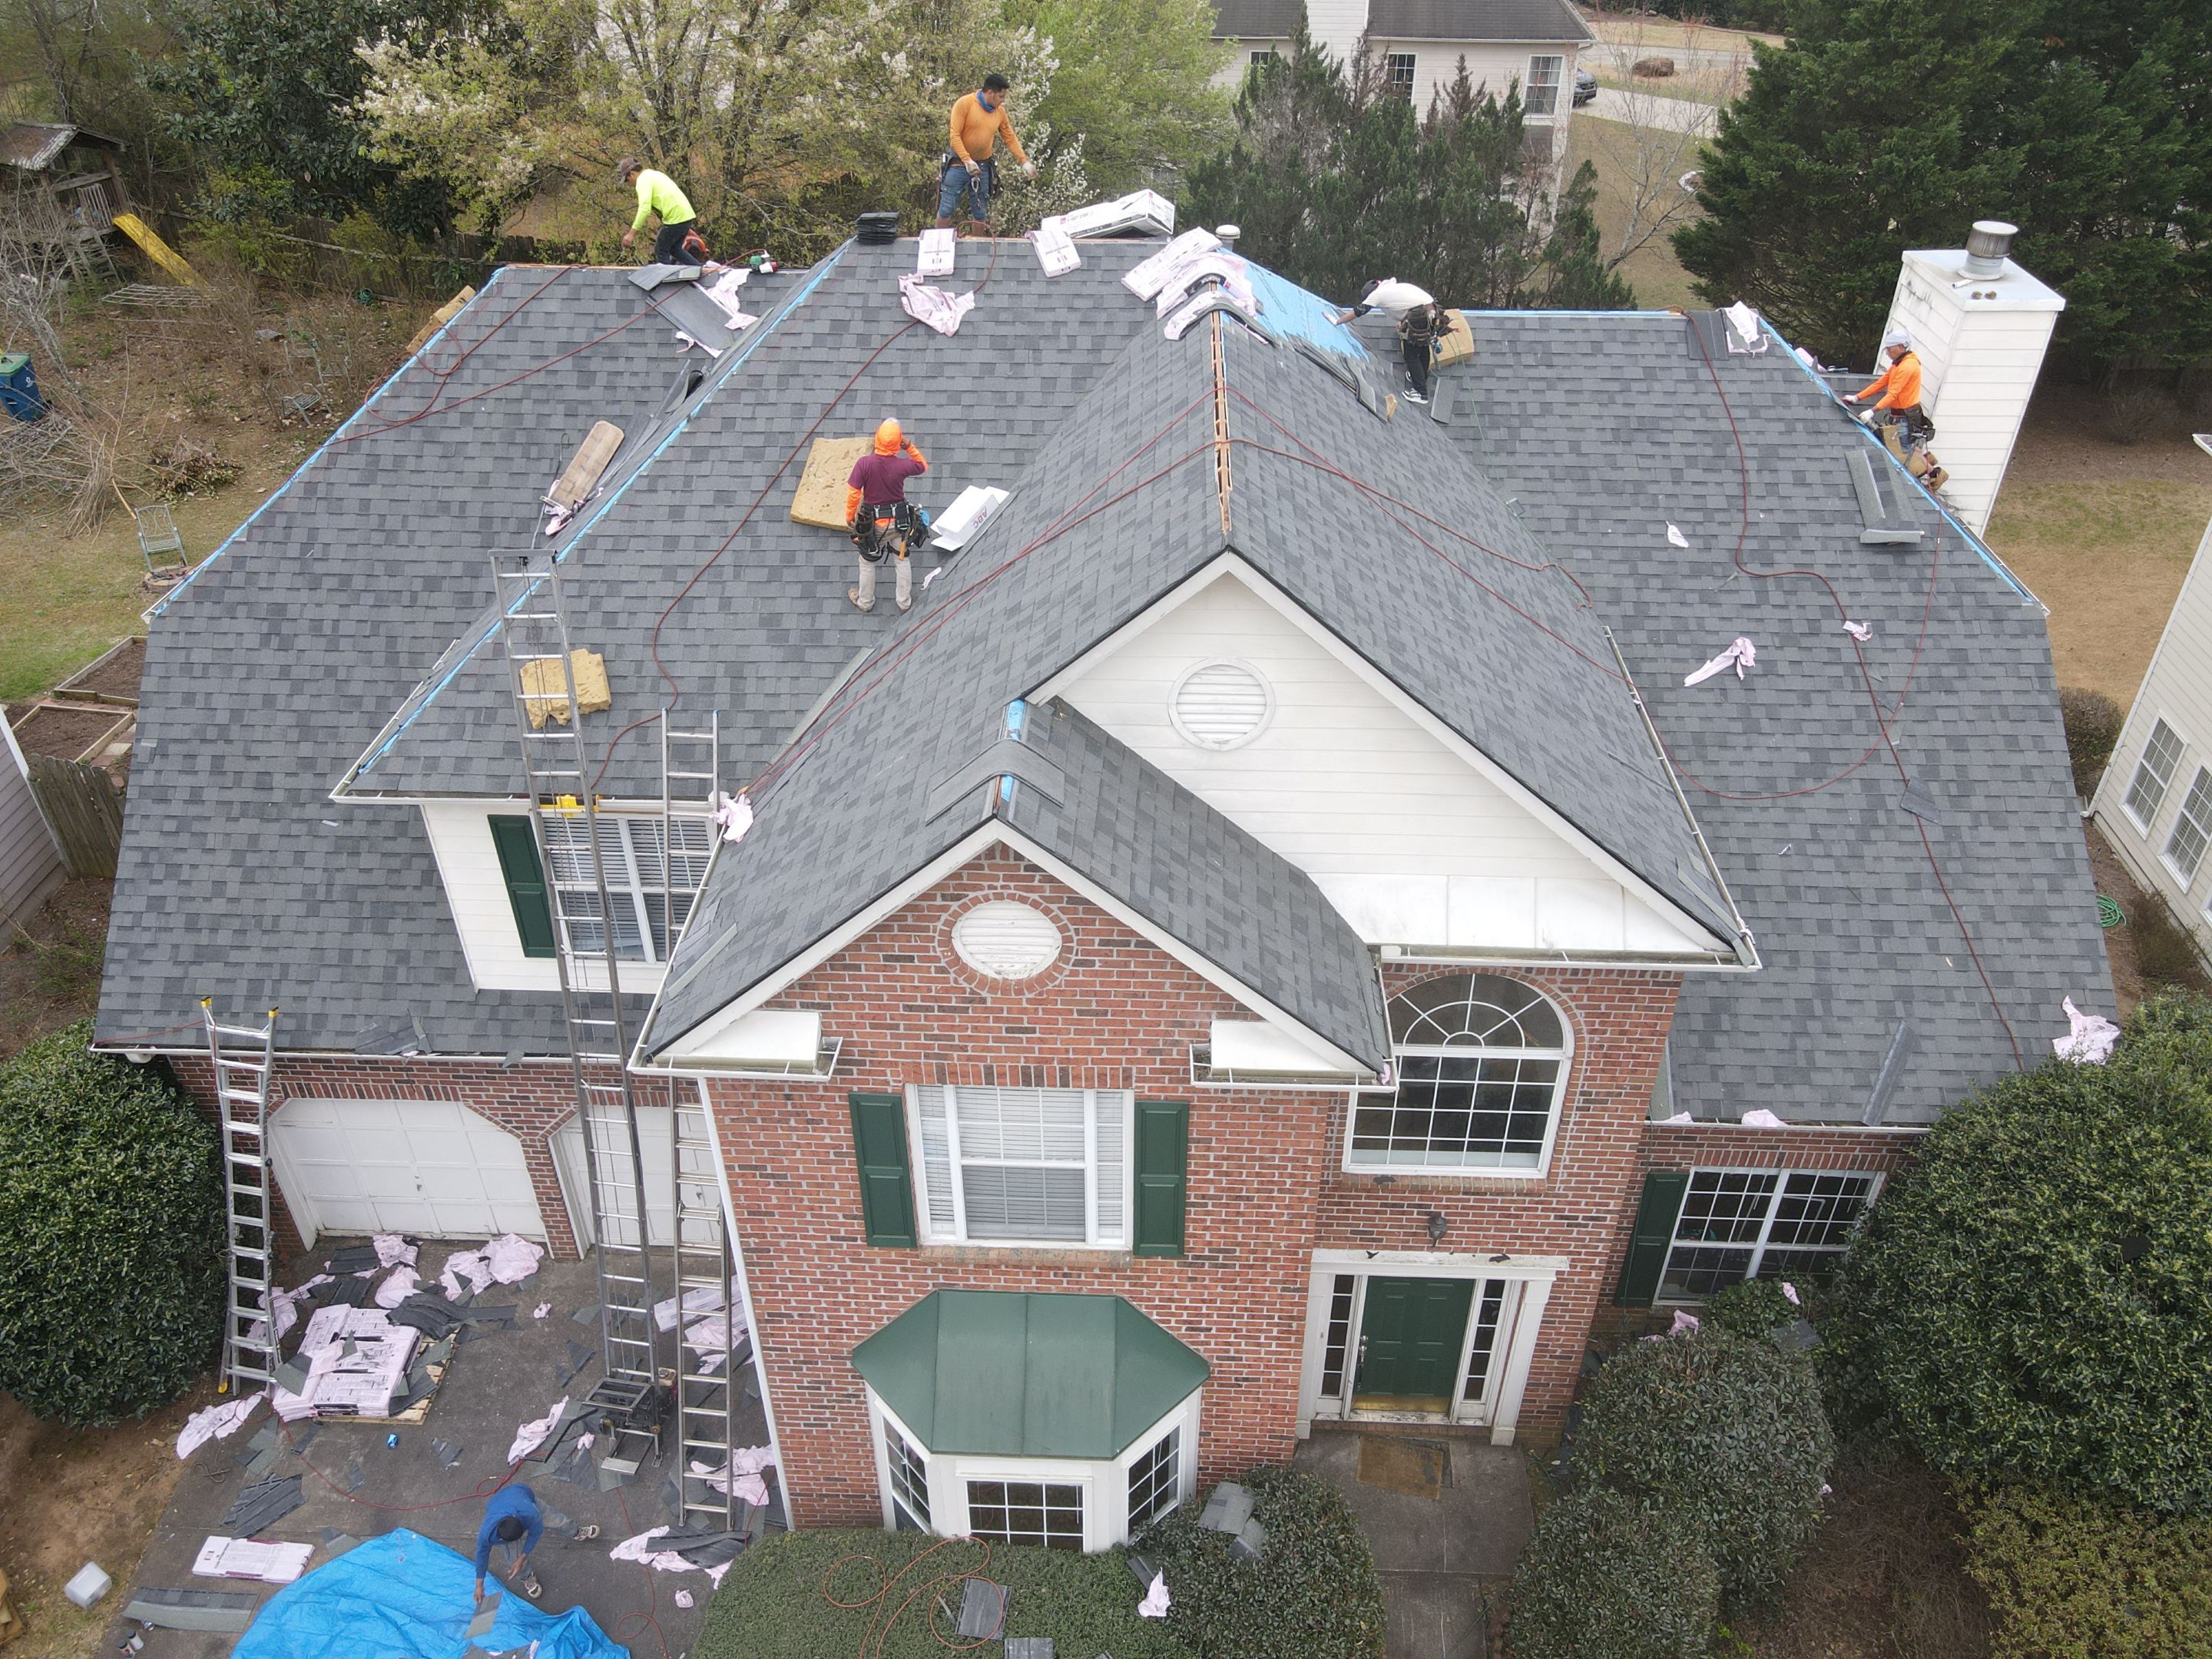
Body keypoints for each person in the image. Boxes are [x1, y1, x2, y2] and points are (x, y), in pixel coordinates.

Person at [846, 419, 929, 614]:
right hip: (899, 523)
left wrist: (850, 516)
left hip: (874, 526)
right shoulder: (901, 466)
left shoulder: (864, 464)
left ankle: (865, 601)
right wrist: (909, 447)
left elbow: (854, 493)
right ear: (897, 442)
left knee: (866, 562)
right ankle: (904, 602)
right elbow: (922, 465)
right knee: (901, 559)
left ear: (877, 439)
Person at [938, 75, 1037, 234]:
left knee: (980, 211)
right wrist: (967, 160)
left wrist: (1024, 162)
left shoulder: (1000, 113)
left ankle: (978, 248)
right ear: (990, 93)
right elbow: (954, 136)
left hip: (983, 166)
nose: (1002, 101)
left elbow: (1010, 138)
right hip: (958, 164)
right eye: (1001, 96)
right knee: (947, 207)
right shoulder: (965, 104)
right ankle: (939, 243)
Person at [472, 1485, 595, 1604]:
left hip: (521, 1494)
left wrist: (523, 1557)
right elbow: (482, 1555)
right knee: (514, 1561)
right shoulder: (486, 1534)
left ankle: (575, 1531)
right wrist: (479, 1585)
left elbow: (535, 1534)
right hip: (499, 1503)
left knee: (557, 1521)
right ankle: (526, 1577)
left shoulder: (531, 1512)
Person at [1849, 326, 1932, 453]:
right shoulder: (1898, 364)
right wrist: (1857, 397)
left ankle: (1931, 472)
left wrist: (1872, 411)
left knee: (1903, 455)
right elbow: (1881, 383)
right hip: (1899, 416)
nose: (1887, 353)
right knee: (1906, 453)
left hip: (1906, 418)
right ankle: (1931, 472)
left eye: (1889, 349)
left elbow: (1893, 394)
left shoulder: (1908, 366)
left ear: (1900, 346)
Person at [618, 159, 705, 267]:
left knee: (661, 249)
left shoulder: (642, 181)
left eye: (627, 180)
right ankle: (700, 270)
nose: (629, 184)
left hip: (676, 218)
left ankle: (666, 281)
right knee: (675, 249)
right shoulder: (653, 174)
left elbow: (644, 209)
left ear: (632, 174)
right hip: (687, 215)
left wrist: (631, 234)